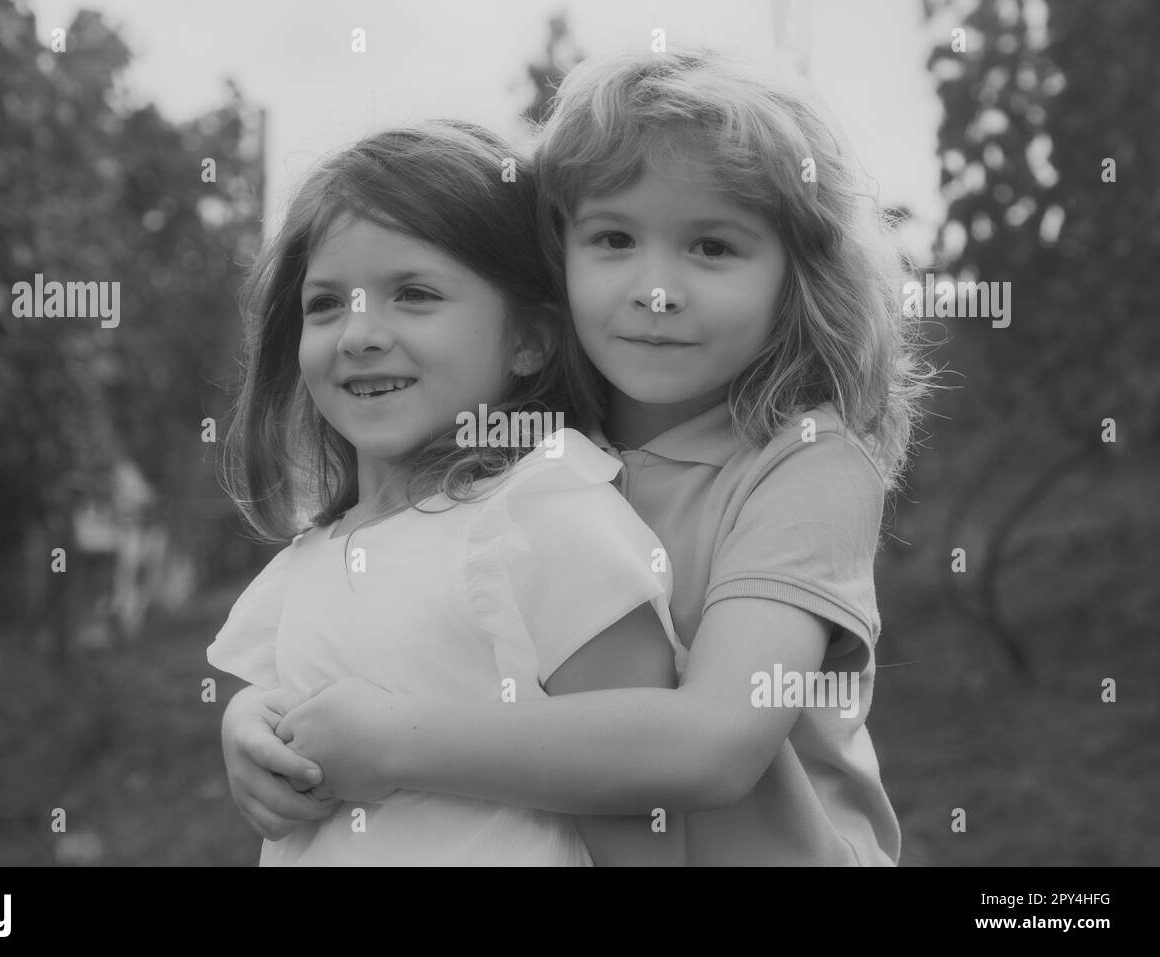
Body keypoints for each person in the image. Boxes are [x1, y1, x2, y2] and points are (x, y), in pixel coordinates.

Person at [223, 48, 935, 865]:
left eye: (712, 247)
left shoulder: (807, 464)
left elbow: (712, 742)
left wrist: (391, 745)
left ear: (798, 278)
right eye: (613, 238)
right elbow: (408, 637)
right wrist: (259, 723)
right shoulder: (531, 458)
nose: (655, 288)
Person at [207, 119, 686, 866]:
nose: (359, 333)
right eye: (326, 303)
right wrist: (247, 726)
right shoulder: (316, 553)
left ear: (529, 340)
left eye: (416, 294)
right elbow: (295, 698)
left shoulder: (543, 507)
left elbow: (641, 770)